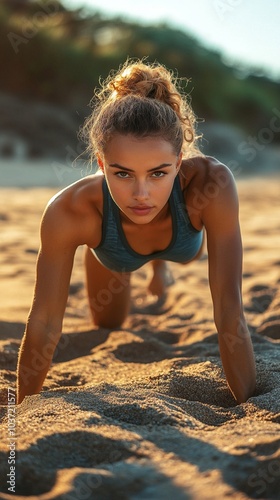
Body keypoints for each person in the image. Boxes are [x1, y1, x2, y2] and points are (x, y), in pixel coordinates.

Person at [17, 59, 256, 405]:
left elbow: (229, 309)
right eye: (123, 174)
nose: (141, 194)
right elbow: (44, 321)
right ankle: (141, 259)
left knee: (190, 253)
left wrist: (248, 404)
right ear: (101, 164)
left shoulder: (209, 186)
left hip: (185, 242)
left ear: (178, 162)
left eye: (158, 173)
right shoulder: (69, 211)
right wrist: (21, 412)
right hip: (114, 252)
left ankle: (161, 266)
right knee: (109, 322)